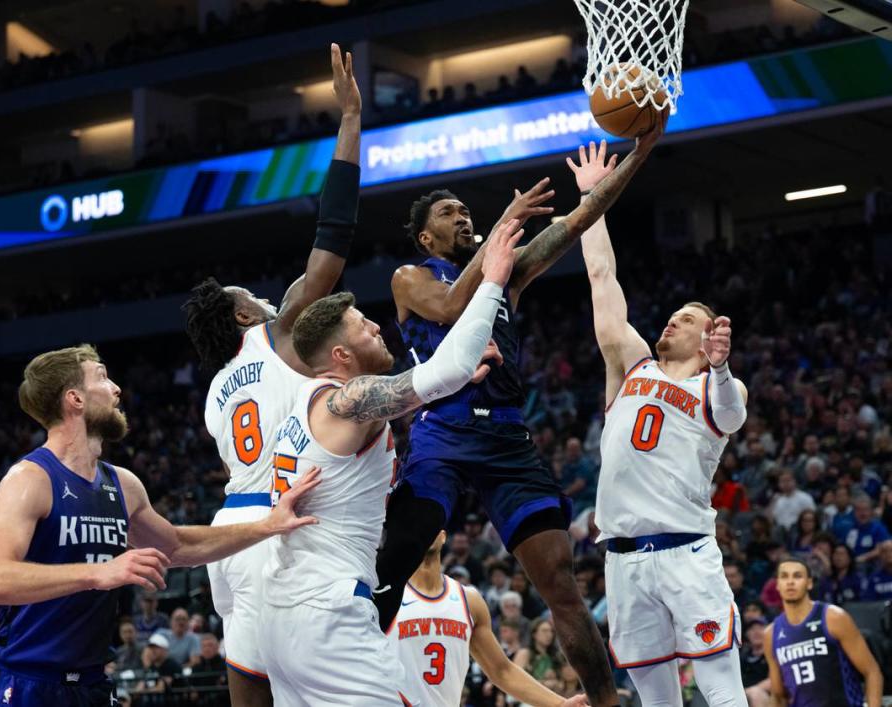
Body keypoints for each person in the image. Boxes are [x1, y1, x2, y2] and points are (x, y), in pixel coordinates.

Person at [375, 110, 666, 707]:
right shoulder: (412, 276)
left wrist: (640, 151)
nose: (464, 218)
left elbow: (582, 218)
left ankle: (606, 703)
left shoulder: (505, 276)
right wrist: (506, 226)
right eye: (448, 215)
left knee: (560, 580)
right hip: (443, 431)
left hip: (508, 438)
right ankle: (344, 685)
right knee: (397, 559)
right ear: (427, 237)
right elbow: (455, 307)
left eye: (466, 211)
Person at [259, 218, 525, 705]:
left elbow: (423, 384)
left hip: (282, 613)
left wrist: (454, 376)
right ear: (341, 354)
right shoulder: (348, 399)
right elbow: (441, 373)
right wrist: (492, 279)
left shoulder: (304, 406)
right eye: (363, 326)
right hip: (329, 609)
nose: (378, 326)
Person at [0, 344, 318, 707]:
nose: (116, 388)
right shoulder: (31, 478)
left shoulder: (123, 484)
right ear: (75, 399)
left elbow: (178, 546)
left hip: (90, 685)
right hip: (21, 680)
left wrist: (269, 525)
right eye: (102, 377)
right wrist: (97, 574)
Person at [182, 42, 361, 707]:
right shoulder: (277, 330)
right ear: (238, 310)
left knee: (248, 693)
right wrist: (348, 121)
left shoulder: (211, 394)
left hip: (229, 533)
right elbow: (332, 240)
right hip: (276, 528)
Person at [575, 141, 750, 706]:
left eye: (690, 319)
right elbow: (602, 276)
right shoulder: (631, 363)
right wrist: (591, 200)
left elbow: (731, 415)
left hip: (686, 553)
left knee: (721, 691)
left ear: (709, 339)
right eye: (674, 314)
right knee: (655, 700)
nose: (674, 319)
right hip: (623, 560)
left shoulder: (713, 386)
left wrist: (721, 369)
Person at [387, 530, 586, 707]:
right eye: (418, 522)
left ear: (443, 534)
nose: (425, 526)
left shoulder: (468, 600)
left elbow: (501, 671)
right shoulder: (384, 595)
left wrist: (560, 703)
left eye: (431, 520)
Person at [764, 557, 883, 706]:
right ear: (777, 585)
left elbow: (871, 671)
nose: (790, 582)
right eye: (784, 576)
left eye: (797, 576)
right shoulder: (771, 634)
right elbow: (778, 695)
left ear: (809, 583)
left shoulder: (833, 617)